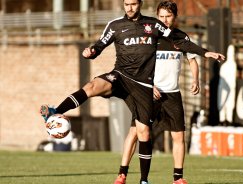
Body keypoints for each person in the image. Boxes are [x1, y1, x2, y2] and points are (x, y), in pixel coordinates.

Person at [40, 0, 224, 183]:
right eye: (126, 4)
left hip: (143, 85)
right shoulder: (115, 25)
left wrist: (205, 52)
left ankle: (144, 180)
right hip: (121, 75)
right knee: (92, 86)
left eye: (133, 4)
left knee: (143, 132)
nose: (130, 7)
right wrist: (91, 52)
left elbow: (179, 41)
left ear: (140, 4)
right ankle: (56, 111)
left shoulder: (153, 25)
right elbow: (99, 45)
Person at [114, 1, 202, 184]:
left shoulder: (180, 37)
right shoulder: (151, 35)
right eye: (161, 16)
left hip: (172, 94)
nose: (164, 20)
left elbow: (192, 60)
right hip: (147, 92)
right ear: (156, 16)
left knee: (179, 136)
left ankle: (178, 178)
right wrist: (148, 85)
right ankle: (122, 174)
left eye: (168, 16)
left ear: (175, 17)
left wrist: (195, 79)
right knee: (135, 132)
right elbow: (139, 63)